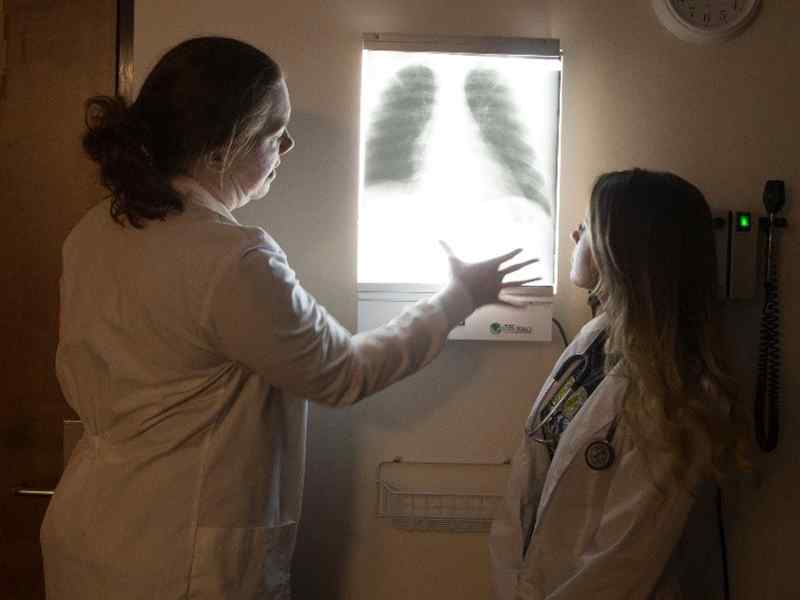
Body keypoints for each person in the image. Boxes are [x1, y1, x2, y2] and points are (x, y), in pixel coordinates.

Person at [40, 37, 536, 600]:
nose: (288, 146)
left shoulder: (93, 232)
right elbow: (343, 372)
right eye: (277, 132)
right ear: (224, 147)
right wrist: (456, 300)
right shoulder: (232, 258)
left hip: (90, 534)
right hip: (178, 561)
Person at [489, 169, 750, 599]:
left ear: (622, 250)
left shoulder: (682, 394)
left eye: (588, 225)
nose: (576, 233)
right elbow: (531, 471)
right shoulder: (592, 341)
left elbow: (624, 560)